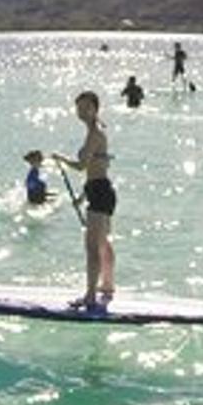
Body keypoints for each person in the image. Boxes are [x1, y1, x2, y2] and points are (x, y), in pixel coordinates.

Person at [50, 91, 115, 310]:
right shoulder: (96, 134)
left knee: (92, 248)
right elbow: (98, 170)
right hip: (100, 191)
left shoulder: (95, 134)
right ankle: (107, 286)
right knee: (103, 242)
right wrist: (83, 196)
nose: (82, 112)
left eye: (86, 108)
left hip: (100, 193)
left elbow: (82, 167)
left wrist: (60, 158)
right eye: (79, 108)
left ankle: (89, 296)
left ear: (95, 109)